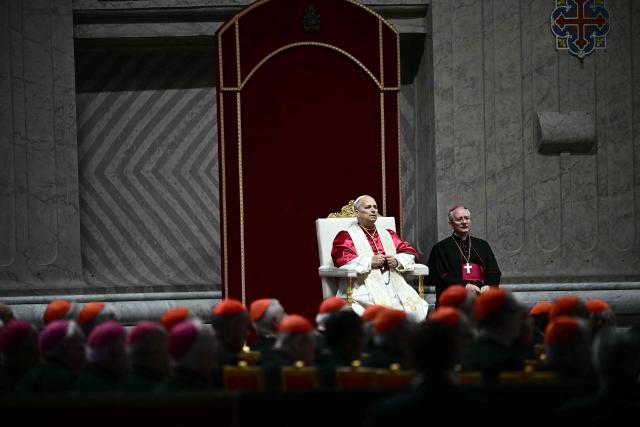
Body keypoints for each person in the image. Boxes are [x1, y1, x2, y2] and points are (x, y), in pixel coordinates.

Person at [331, 194, 428, 320]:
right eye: (368, 207)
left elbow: (409, 251)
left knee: (413, 307)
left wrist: (397, 261)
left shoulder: (388, 234)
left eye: (375, 207)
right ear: (357, 212)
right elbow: (342, 259)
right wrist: (369, 261)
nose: (373, 210)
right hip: (362, 286)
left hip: (392, 283)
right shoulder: (346, 236)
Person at [427, 205, 501, 306]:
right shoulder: (440, 248)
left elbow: (494, 272)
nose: (464, 222)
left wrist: (488, 286)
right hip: (454, 300)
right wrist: (464, 285)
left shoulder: (482, 245)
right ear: (451, 224)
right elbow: (439, 277)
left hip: (481, 297)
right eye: (459, 219)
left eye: (467, 218)